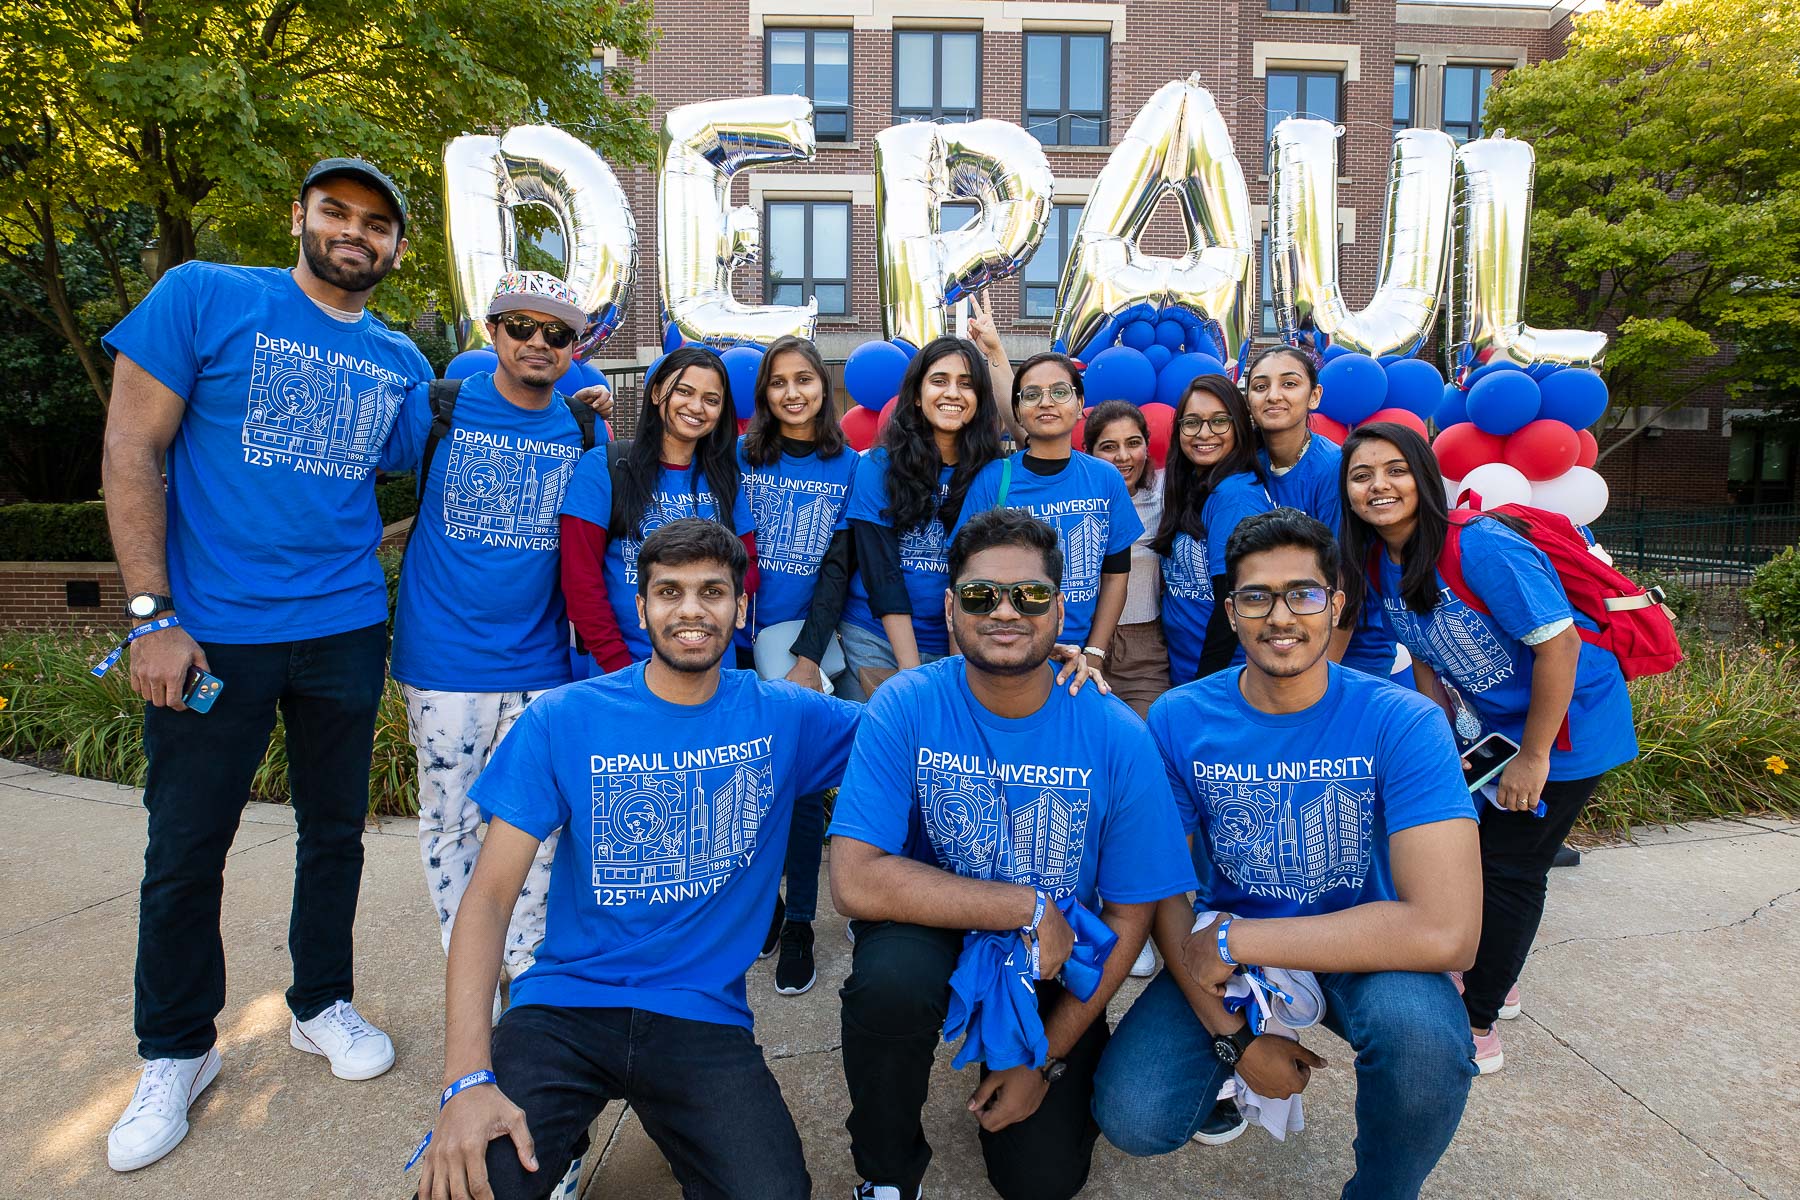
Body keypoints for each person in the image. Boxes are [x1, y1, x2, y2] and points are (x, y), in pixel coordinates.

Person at [98, 157, 429, 1172]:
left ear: (397, 248)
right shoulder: (205, 296)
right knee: (185, 848)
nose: (355, 232)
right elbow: (130, 448)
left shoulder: (400, 359)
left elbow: (421, 460)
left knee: (335, 833)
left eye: (377, 223)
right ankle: (176, 1049)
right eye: (337, 211)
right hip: (212, 635)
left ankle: (320, 1003)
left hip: (342, 629)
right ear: (299, 216)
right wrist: (152, 617)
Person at [412, 519, 862, 1200]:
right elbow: (491, 898)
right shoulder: (566, 717)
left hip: (699, 1013)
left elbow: (912, 728)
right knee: (470, 1185)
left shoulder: (786, 716)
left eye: (713, 591)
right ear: (642, 606)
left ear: (741, 608)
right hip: (566, 1004)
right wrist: (466, 1081)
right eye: (669, 591)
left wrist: (1027, 659)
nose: (691, 610)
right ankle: (556, 1133)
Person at [1093, 508, 1482, 1199]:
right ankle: (1226, 1074)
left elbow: (1448, 931)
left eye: (1303, 593)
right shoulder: (1180, 717)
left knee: (1425, 1046)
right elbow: (1162, 888)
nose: (1280, 616)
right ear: (1231, 612)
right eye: (1256, 597)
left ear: (1335, 604)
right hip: (1231, 958)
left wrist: (1238, 939)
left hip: (1363, 944)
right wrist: (1237, 1042)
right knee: (1135, 1116)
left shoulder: (1403, 720)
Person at [829, 509, 1196, 1200]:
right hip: (939, 921)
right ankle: (885, 1173)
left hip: (1053, 957)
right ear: (950, 607)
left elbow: (1130, 915)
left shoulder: (1116, 733)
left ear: (1060, 609)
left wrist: (1045, 1059)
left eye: (1029, 595)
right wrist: (1023, 905)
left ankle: (1021, 1052)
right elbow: (853, 880)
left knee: (1040, 1182)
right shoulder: (907, 704)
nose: (1005, 611)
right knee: (890, 984)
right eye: (980, 595)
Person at [1339, 423, 1638, 1073]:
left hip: (1565, 729)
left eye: (1394, 470)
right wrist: (1442, 743)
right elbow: (1423, 655)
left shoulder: (1480, 545)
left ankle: (1477, 1023)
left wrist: (1534, 758)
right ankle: (1493, 969)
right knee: (1466, 848)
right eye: (1362, 476)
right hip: (1493, 732)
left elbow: (1560, 646)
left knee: (1512, 867)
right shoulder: (1380, 559)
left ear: (1424, 477)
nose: (1379, 486)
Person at [381, 270, 599, 999]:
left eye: (557, 332)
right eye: (522, 326)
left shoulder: (583, 428)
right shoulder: (438, 407)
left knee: (536, 824)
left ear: (574, 347)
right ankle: (471, 966)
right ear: (493, 330)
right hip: (444, 658)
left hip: (541, 660)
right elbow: (343, 481)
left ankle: (526, 969)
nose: (539, 342)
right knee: (450, 820)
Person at [736, 335, 860, 995]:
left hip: (806, 644)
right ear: (765, 393)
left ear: (823, 388)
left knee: (805, 787)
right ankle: (766, 907)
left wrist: (808, 657)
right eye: (779, 381)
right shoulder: (739, 456)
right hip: (736, 646)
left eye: (804, 379)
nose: (792, 392)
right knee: (748, 784)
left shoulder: (850, 465)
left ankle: (802, 924)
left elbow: (839, 569)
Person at [559, 347, 755, 672]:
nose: (696, 407)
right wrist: (618, 666)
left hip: (713, 670)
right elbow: (580, 580)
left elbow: (748, 565)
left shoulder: (724, 476)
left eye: (711, 399)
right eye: (684, 391)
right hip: (624, 670)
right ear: (656, 393)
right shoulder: (605, 467)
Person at [950, 352, 1141, 676]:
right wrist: (964, 666)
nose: (1046, 402)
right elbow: (961, 577)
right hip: (1006, 648)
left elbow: (1115, 575)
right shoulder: (995, 479)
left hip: (1079, 659)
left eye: (1060, 392)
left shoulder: (1105, 478)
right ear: (1018, 412)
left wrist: (1094, 653)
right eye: (1032, 394)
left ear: (1080, 404)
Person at [839, 336, 1003, 695]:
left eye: (966, 384)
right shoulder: (878, 466)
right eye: (939, 381)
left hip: (960, 641)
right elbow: (881, 573)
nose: (952, 393)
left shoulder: (992, 474)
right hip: (876, 639)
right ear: (917, 394)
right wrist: (911, 673)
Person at [1245, 345, 1398, 678]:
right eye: (1260, 386)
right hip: (1284, 633)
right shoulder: (1247, 464)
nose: (1273, 395)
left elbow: (1347, 578)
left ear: (1314, 396)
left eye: (1289, 383)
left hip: (1348, 644)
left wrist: (1318, 676)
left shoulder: (1334, 469)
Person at [1151, 374, 1272, 685]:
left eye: (1219, 421)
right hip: (1183, 670)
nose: (1204, 434)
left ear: (1239, 426)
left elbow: (1233, 602)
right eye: (1192, 423)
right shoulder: (1193, 485)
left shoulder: (1234, 496)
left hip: (1221, 677)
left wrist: (1204, 687)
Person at [1082, 401, 1169, 721]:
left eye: (1133, 443)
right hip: (1079, 641)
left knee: (1146, 736)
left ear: (1147, 445)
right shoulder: (1075, 501)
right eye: (1109, 447)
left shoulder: (1164, 497)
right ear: (1087, 451)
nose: (1123, 456)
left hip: (1143, 650)